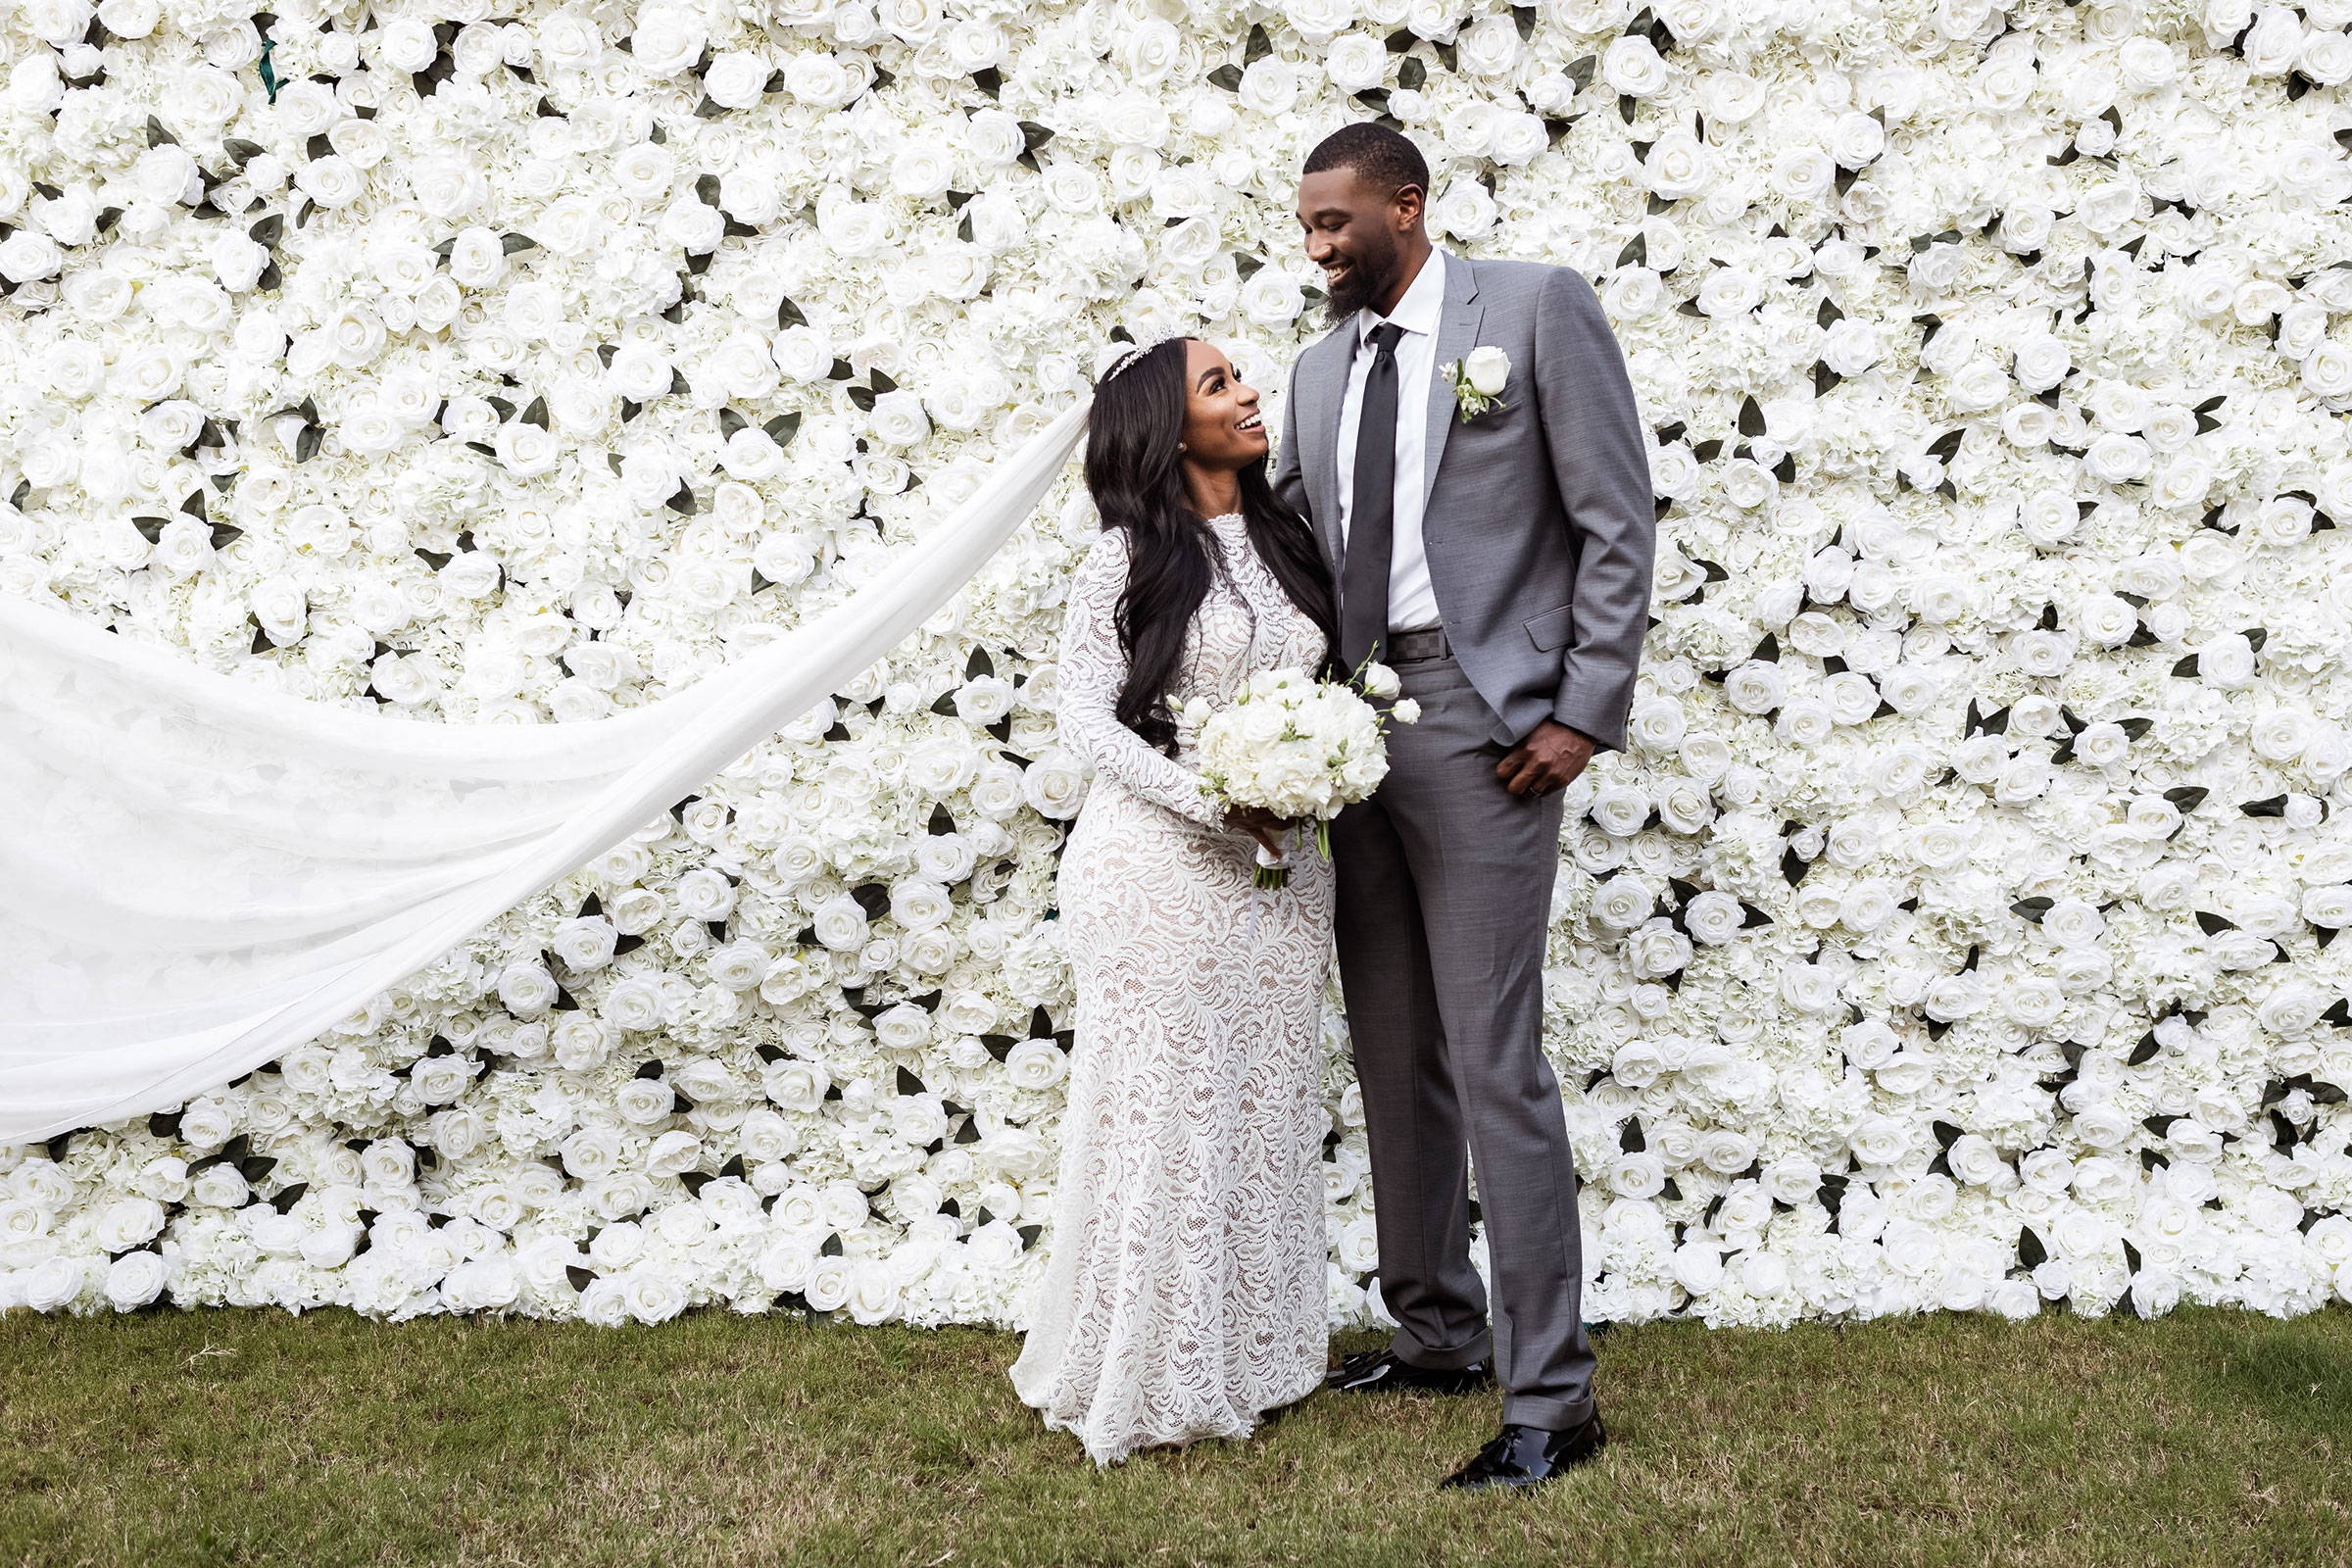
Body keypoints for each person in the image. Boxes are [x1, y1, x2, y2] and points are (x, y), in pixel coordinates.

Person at [1272, 122, 1657, 1491]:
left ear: (1405, 206)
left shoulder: (1535, 309)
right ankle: (1439, 1332)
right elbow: (1293, 544)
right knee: (1393, 1049)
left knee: (1498, 1060)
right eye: (1305, 226)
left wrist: (1579, 709)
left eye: (1335, 223)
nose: (1316, 246)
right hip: (1349, 742)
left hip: (1491, 732)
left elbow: (1617, 516)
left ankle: (1556, 1398)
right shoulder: (1318, 373)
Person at [1007, 332, 1341, 1467]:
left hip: (1285, 875)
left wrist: (1317, 772)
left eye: (1242, 377)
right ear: (1168, 423)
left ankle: (1253, 1351)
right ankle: (1149, 1364)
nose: (1250, 394)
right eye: (1220, 384)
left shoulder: (1292, 537)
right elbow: (1086, 722)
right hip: (1157, 872)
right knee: (1168, 1109)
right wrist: (1214, 799)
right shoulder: (1129, 554)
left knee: (1261, 1100)